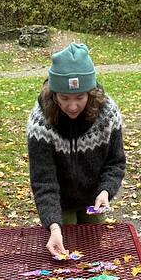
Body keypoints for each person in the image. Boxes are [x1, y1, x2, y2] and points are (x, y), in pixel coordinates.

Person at [27, 42, 126, 258]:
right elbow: (43, 180)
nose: (72, 106)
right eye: (64, 98)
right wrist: (53, 226)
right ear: (54, 94)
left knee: (92, 253)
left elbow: (115, 161)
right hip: (59, 202)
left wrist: (106, 190)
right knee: (63, 253)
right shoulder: (40, 121)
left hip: (94, 199)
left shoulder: (107, 113)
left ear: (91, 93)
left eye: (80, 97)